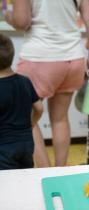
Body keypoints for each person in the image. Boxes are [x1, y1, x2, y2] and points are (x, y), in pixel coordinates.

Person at [5, 0, 89, 167]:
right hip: (73, 58)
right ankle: (59, 170)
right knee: (60, 118)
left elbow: (21, 21)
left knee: (26, 118)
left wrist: (8, 16)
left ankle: (44, 171)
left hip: (40, 57)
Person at [0, 34, 43, 170]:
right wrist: (32, 123)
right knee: (25, 177)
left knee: (6, 183)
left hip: (3, 148)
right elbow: (39, 108)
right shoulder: (24, 81)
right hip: (26, 143)